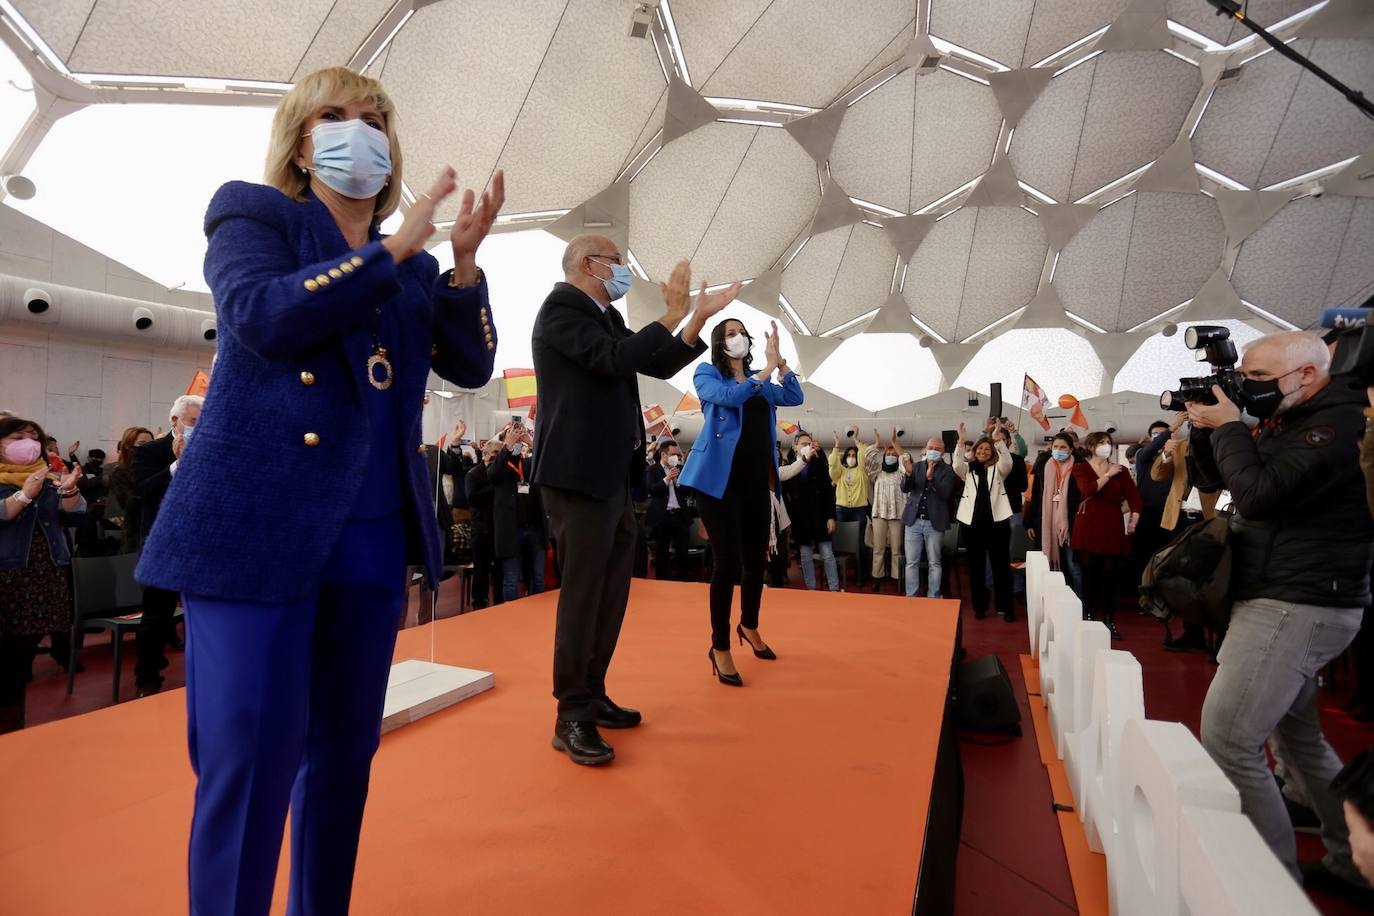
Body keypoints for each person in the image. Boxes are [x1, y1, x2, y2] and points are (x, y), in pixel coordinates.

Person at [134, 67, 502, 915]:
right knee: (252, 766)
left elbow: (473, 364)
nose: (358, 131)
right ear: (301, 139)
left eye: (375, 117)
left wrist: (465, 265)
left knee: (341, 765)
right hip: (256, 531)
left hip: (372, 536)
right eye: (335, 116)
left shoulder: (411, 272)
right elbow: (262, 316)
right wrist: (392, 252)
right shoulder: (254, 214)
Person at [530, 239, 736, 767]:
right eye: (613, 259)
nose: (621, 268)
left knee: (612, 594)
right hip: (577, 477)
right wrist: (671, 310)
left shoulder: (605, 317)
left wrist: (693, 322)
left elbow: (658, 361)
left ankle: (592, 692)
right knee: (583, 596)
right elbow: (614, 359)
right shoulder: (562, 309)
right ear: (588, 265)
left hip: (612, 481)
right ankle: (570, 714)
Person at [1186, 331, 1373, 895]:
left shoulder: (1335, 425)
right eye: (1245, 376)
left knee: (1229, 738)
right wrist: (1208, 433)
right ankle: (1349, 861)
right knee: (1297, 740)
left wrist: (1233, 429)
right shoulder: (1287, 419)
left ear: (1308, 376)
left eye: (1260, 380)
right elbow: (1214, 481)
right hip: (1286, 592)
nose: (1248, 388)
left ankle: (1269, 890)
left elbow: (1259, 494)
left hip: (1299, 602)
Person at [680, 318, 803, 686]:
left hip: (754, 482)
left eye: (742, 332)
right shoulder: (707, 374)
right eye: (731, 333)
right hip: (717, 484)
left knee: (756, 562)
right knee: (726, 564)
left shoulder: (761, 380)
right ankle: (719, 646)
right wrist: (765, 370)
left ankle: (748, 625)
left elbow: (794, 397)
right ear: (721, 342)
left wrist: (780, 365)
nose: (739, 338)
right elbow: (730, 398)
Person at [0, 418, 84, 734]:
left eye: (33, 435)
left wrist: (70, 490)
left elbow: (73, 514)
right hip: (7, 574)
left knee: (21, 655)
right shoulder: (25, 481)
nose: (28, 441)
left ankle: (12, 724)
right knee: (7, 655)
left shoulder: (45, 476)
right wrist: (23, 495)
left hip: (42, 573)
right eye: (18, 436)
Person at [133, 395, 203, 694]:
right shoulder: (150, 451)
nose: (198, 429)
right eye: (193, 422)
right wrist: (177, 465)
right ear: (175, 421)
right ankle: (147, 679)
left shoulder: (210, 452)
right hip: (163, 544)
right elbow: (144, 491)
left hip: (201, 545)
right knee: (157, 615)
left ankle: (204, 678)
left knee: (203, 616)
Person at [1070, 431, 1142, 641]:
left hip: (1111, 525)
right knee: (1088, 574)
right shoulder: (1081, 468)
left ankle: (1109, 619)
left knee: (1111, 576)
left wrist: (1133, 520)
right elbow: (1088, 490)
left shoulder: (1122, 471)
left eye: (1108, 443)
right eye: (1101, 443)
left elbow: (1135, 499)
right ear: (1091, 447)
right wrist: (1108, 474)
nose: (1106, 446)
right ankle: (1089, 615)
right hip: (1087, 524)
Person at [953, 423, 1016, 621]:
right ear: (975, 451)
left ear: (992, 453)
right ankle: (980, 607)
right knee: (976, 567)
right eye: (980, 448)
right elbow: (956, 465)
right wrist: (961, 443)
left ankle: (1005, 608)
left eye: (987, 449)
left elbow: (1007, 461)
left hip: (998, 525)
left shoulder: (999, 469)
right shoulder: (968, 470)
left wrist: (997, 440)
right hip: (972, 526)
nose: (983, 451)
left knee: (1001, 567)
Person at [1024, 433, 1085, 599]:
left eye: (1063, 447)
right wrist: (1029, 522)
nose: (1059, 450)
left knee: (1073, 566)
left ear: (1071, 449)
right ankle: (1055, 601)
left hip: (1071, 524)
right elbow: (1035, 495)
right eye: (1056, 447)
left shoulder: (1080, 467)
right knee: (1049, 566)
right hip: (1046, 523)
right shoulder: (1044, 465)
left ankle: (1082, 604)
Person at [490, 423, 545, 601]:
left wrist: (531, 442)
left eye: (518, 435)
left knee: (537, 576)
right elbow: (494, 473)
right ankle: (510, 615)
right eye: (512, 435)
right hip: (510, 530)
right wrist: (507, 446)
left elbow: (545, 462)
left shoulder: (528, 464)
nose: (516, 439)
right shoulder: (500, 465)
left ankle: (537, 609)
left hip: (534, 528)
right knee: (512, 579)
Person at [779, 430, 838, 592]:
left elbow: (828, 492)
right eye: (803, 444)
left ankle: (834, 589)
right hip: (800, 519)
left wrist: (831, 517)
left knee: (827, 554)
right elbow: (784, 495)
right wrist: (789, 521)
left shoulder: (819, 463)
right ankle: (811, 590)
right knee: (805, 556)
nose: (807, 446)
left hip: (820, 516)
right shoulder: (789, 466)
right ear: (795, 447)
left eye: (809, 444)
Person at [900, 436, 957, 598]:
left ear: (943, 452)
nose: (933, 451)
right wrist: (909, 475)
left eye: (937, 449)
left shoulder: (948, 471)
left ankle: (933, 596)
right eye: (931, 447)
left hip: (935, 523)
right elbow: (905, 488)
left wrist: (931, 479)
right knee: (911, 562)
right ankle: (911, 596)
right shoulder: (916, 467)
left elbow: (945, 494)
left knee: (934, 563)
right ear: (925, 449)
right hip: (913, 521)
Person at [829, 429, 877, 582]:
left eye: (853, 455)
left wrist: (857, 440)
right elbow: (833, 465)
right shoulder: (840, 472)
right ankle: (837, 575)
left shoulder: (862, 471)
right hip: (841, 510)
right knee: (839, 542)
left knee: (858, 543)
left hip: (859, 510)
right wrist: (836, 446)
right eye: (848, 456)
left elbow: (863, 454)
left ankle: (861, 574)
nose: (851, 458)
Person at [465, 439, 505, 610]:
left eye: (500, 453)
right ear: (486, 454)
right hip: (481, 531)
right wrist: (494, 486)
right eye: (495, 452)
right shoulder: (473, 474)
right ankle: (479, 606)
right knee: (481, 571)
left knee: (499, 572)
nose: (497, 457)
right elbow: (473, 499)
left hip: (499, 530)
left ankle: (499, 604)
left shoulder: (504, 474)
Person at [646, 440, 691, 581]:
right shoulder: (653, 470)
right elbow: (652, 489)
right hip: (662, 516)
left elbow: (688, 491)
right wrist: (666, 479)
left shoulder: (681, 469)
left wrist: (677, 480)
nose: (675, 457)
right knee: (662, 551)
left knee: (682, 550)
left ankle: (683, 579)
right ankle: (663, 580)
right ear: (663, 454)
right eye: (673, 454)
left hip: (680, 515)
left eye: (677, 455)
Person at [868, 428, 905, 593]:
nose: (891, 456)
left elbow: (906, 459)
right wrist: (876, 444)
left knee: (897, 548)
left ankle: (898, 579)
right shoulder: (877, 472)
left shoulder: (902, 472)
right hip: (879, 514)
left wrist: (894, 443)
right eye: (888, 453)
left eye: (893, 454)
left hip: (897, 515)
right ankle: (877, 577)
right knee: (878, 548)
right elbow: (867, 459)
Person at [106, 426, 153, 553]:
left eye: (151, 443)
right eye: (142, 444)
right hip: (136, 535)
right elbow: (130, 503)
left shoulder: (156, 469)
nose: (148, 447)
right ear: (128, 447)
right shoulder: (119, 473)